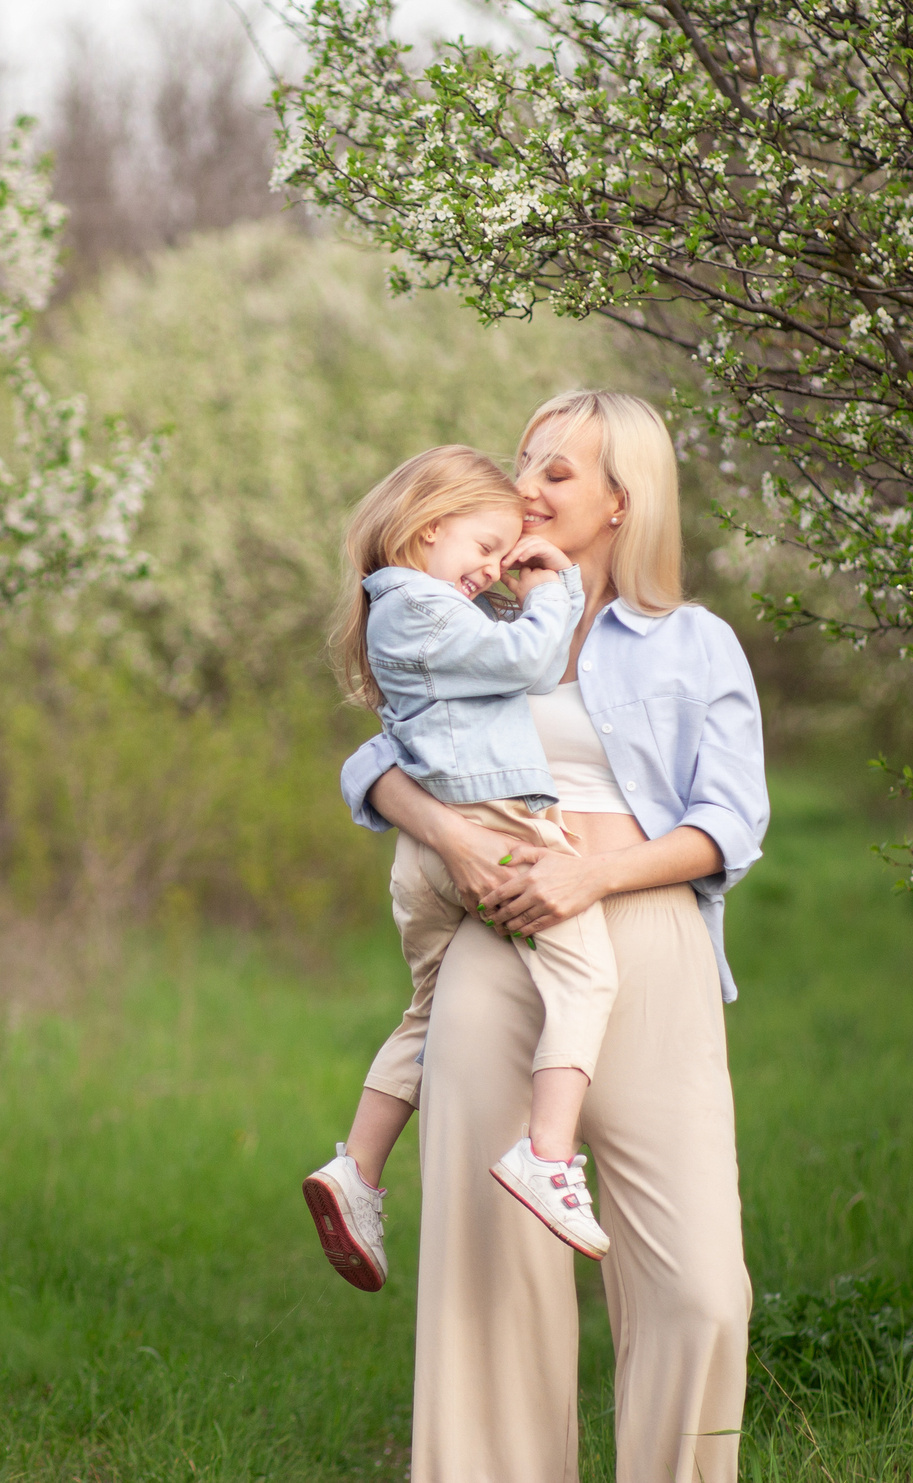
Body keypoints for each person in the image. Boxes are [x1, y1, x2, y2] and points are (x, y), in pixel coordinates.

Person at [315, 390, 768, 1483]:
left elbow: (730, 822)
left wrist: (593, 872)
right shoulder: (461, 607)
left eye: (556, 471)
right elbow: (375, 760)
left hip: (648, 947)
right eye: (524, 461)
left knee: (703, 1290)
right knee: (490, 1287)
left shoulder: (691, 641)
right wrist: (450, 839)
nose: (525, 487)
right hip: (499, 944)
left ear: (622, 500)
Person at [301, 445, 621, 1287]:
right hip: (496, 818)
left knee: (429, 1011)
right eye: (483, 546)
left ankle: (357, 1170)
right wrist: (556, 588)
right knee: (586, 975)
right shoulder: (420, 606)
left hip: (427, 851)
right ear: (427, 528)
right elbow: (531, 662)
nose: (491, 569)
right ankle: (547, 1154)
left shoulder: (403, 609)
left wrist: (510, 581)